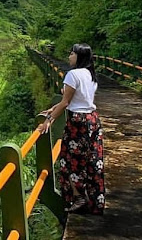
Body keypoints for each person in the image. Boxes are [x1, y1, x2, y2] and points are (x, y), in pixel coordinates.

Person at [37, 43, 105, 214]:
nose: (69, 56)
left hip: (77, 122)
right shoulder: (90, 75)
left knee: (69, 161)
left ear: (79, 56)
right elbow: (80, 100)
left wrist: (48, 121)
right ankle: (95, 200)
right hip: (92, 120)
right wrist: (54, 108)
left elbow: (66, 102)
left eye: (72, 54)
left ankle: (79, 196)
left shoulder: (72, 75)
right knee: (92, 160)